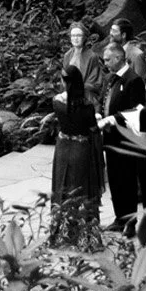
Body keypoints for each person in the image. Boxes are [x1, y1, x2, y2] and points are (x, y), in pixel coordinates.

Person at [101, 46, 146, 234]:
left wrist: (113, 119)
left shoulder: (134, 80)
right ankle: (120, 217)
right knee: (114, 179)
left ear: (118, 57)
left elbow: (136, 110)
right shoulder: (110, 78)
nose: (105, 63)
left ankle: (130, 222)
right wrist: (100, 115)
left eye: (108, 59)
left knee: (127, 179)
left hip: (125, 138)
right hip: (110, 137)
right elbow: (105, 101)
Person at [50, 64, 103, 248]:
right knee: (82, 188)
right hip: (81, 148)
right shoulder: (86, 106)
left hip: (63, 148)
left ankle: (61, 232)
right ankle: (84, 234)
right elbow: (92, 128)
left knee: (62, 186)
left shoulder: (57, 102)